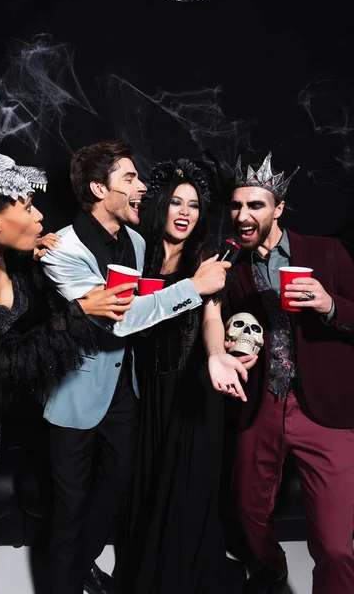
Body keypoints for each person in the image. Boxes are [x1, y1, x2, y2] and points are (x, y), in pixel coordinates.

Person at [40, 140, 230, 594]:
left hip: (127, 389)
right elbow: (121, 321)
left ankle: (82, 564)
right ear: (97, 188)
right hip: (76, 391)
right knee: (69, 507)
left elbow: (155, 306)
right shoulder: (62, 249)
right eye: (129, 178)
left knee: (118, 486)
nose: (142, 187)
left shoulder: (139, 241)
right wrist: (193, 287)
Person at [0, 134, 137, 594]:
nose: (39, 214)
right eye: (28, 207)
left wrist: (40, 269)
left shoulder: (17, 267)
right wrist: (81, 312)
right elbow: (2, 364)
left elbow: (27, 329)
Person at [214, 152, 354, 594]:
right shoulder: (230, 266)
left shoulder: (326, 251)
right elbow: (223, 324)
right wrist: (235, 351)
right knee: (248, 512)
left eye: (255, 205)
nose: (242, 215)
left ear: (278, 210)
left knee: (334, 547)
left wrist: (330, 304)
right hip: (262, 402)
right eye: (236, 206)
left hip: (324, 409)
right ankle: (272, 568)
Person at [119, 158, 254, 594]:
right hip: (148, 391)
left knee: (185, 495)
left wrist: (216, 355)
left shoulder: (205, 258)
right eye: (176, 201)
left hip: (192, 389)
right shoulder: (136, 252)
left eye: (194, 206)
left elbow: (212, 316)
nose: (185, 211)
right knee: (151, 487)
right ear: (161, 203)